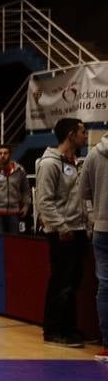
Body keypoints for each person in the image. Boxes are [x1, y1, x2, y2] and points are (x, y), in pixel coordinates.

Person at [39, 117, 89, 348]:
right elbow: (44, 202)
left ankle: (70, 329)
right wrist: (62, 227)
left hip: (78, 230)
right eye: (83, 131)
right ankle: (53, 330)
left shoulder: (74, 161)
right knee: (61, 282)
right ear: (71, 134)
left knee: (73, 282)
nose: (86, 135)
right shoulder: (50, 163)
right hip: (62, 233)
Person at [77, 135, 108, 362]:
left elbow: (83, 193)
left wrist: (92, 217)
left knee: (105, 286)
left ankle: (107, 346)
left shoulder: (94, 154)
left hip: (102, 229)